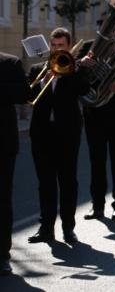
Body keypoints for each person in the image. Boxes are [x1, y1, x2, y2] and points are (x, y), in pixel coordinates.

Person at [27, 28, 91, 245]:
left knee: (68, 181)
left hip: (67, 133)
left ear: (69, 46)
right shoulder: (38, 69)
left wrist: (69, 71)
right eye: (53, 45)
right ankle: (46, 228)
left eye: (61, 45)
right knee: (45, 183)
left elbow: (84, 89)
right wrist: (43, 80)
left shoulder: (75, 69)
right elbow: (28, 95)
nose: (56, 49)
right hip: (42, 134)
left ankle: (68, 228)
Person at [82, 71, 115, 222]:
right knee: (96, 162)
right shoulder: (84, 55)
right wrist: (82, 65)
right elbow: (78, 80)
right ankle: (97, 206)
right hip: (94, 113)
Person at [0, 52, 29, 275]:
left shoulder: (10, 63)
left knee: (2, 201)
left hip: (3, 145)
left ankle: (2, 255)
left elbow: (23, 94)